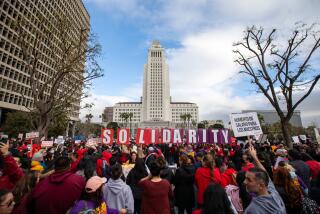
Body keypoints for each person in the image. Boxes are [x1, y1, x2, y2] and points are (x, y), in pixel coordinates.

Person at [244, 143, 286, 214]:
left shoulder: (252, 210)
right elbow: (265, 175)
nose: (244, 182)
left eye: (249, 180)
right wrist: (255, 157)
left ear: (261, 185)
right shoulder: (273, 192)